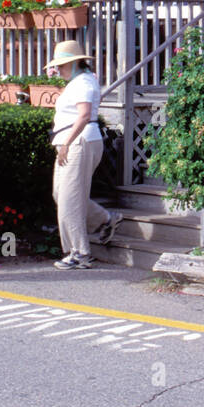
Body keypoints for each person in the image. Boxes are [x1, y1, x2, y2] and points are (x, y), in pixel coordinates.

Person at [47, 40, 121, 269]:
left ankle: (79, 253)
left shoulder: (84, 83)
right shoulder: (78, 82)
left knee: (70, 200)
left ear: (75, 63)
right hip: (72, 141)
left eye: (62, 65)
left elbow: (84, 115)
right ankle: (104, 220)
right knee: (62, 195)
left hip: (78, 141)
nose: (58, 70)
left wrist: (67, 143)